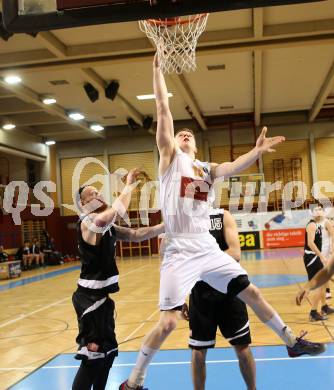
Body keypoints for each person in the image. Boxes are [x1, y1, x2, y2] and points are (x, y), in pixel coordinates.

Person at [119, 55, 325, 390]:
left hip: (204, 245)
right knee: (169, 322)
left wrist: (256, 152)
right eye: (180, 133)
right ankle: (134, 380)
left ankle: (290, 342)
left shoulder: (205, 169)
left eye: (189, 134)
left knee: (252, 291)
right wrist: (157, 72)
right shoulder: (170, 160)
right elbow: (162, 109)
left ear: (196, 145)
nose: (183, 134)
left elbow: (232, 166)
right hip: (178, 249)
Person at [72, 168, 164, 390]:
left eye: (99, 192)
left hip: (102, 299)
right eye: (93, 194)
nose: (99, 195)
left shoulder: (107, 225)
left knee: (108, 353)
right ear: (84, 204)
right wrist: (130, 184)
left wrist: (168, 225)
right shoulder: (89, 222)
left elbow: (135, 235)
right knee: (93, 354)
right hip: (89, 298)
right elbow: (117, 209)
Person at [184, 208, 256, 390]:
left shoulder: (222, 215)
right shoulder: (185, 220)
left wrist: (202, 263)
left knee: (242, 346)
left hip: (229, 290)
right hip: (200, 293)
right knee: (198, 350)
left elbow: (235, 253)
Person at [302, 204, 334, 321]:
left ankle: (323, 307)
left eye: (320, 209)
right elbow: (310, 243)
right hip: (313, 257)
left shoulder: (317, 224)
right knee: (319, 285)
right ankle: (313, 312)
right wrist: (321, 256)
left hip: (315, 257)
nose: (319, 211)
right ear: (311, 212)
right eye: (316, 209)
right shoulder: (311, 225)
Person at [319, 214, 334, 299]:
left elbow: (332, 236)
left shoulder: (327, 222)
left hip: (328, 251)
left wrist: (332, 249)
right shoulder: (317, 224)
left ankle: (327, 291)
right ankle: (327, 291)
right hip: (322, 251)